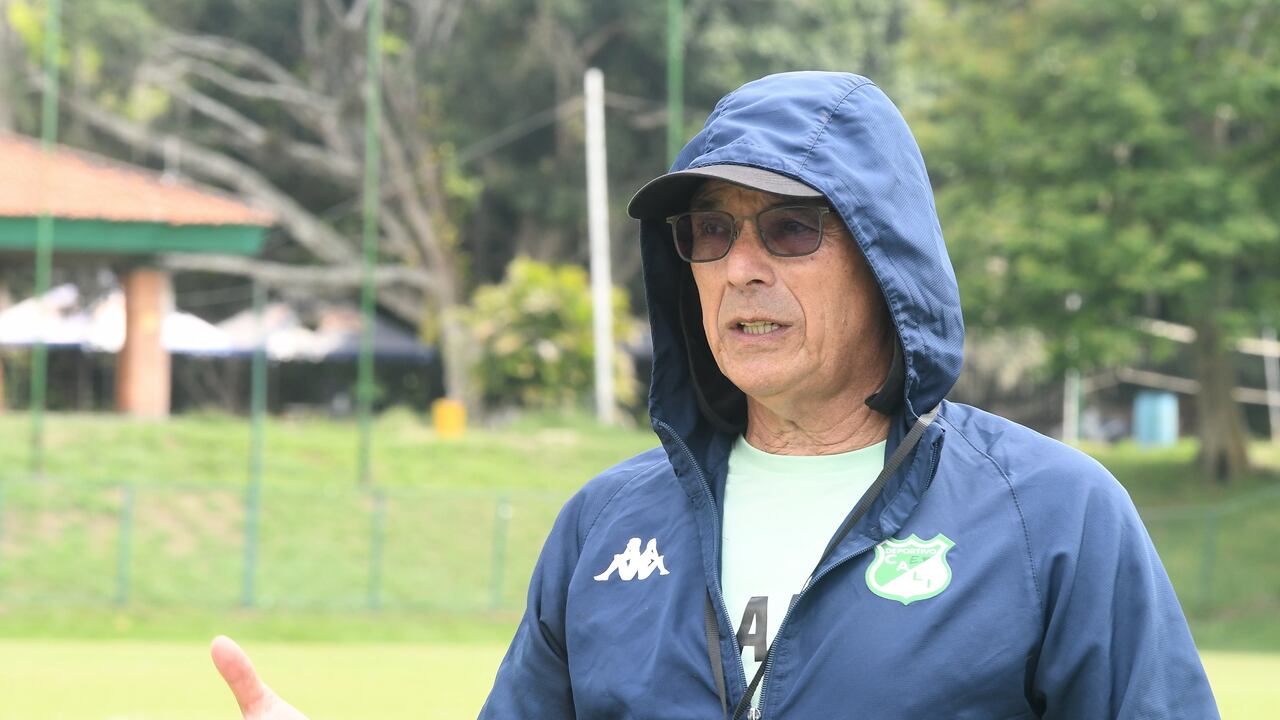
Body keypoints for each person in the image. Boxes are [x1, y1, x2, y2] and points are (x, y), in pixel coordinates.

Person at [212, 72, 1218, 719]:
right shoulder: (601, 531)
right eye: (709, 231)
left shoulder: (1051, 518)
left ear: (883, 261)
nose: (740, 267)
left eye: (787, 229)